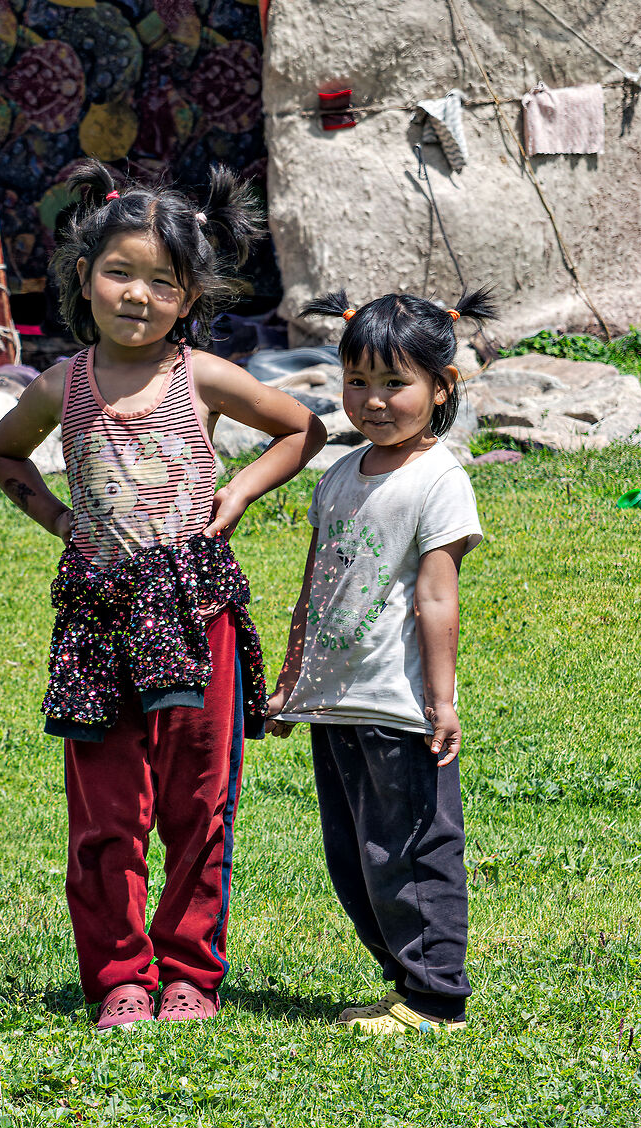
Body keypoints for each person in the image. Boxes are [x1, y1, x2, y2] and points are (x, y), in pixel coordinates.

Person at [0, 161, 324, 1028]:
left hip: (191, 609)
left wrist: (240, 493)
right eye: (119, 273)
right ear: (84, 278)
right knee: (106, 812)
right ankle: (120, 977)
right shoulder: (63, 387)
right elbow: (4, 454)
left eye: (162, 282)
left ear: (187, 298)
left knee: (198, 799)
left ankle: (188, 975)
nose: (137, 295)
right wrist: (61, 523)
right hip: (98, 619)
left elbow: (302, 429)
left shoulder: (202, 378)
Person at [263, 286, 498, 1036]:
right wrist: (290, 684)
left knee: (413, 851)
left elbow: (437, 600)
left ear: (441, 387)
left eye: (395, 383)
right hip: (338, 701)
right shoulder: (339, 475)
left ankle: (435, 998)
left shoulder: (439, 480)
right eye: (357, 380)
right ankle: (403, 983)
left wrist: (442, 699)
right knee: (357, 858)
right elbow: (313, 588)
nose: (373, 400)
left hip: (398, 704)